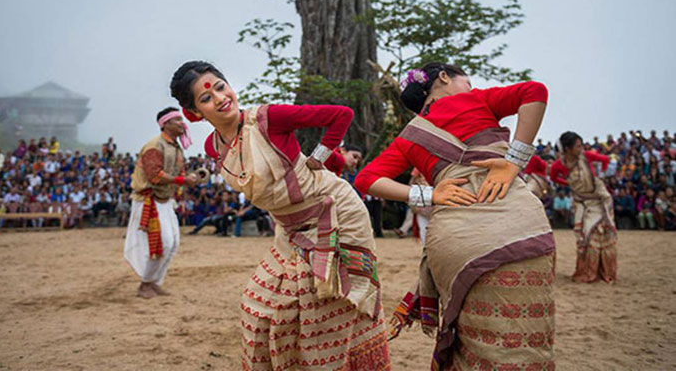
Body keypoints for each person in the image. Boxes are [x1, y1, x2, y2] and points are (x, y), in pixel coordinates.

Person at [170, 61, 390, 370]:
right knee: (258, 305)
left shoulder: (267, 118)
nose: (219, 98)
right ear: (194, 113)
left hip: (335, 213)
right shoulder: (213, 146)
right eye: (206, 98)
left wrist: (320, 156)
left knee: (325, 310)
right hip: (289, 228)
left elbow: (341, 115)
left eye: (220, 86)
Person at [355, 63, 555, 370]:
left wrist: (429, 195)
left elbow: (366, 178)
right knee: (525, 334)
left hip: (454, 238)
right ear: (444, 77)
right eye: (467, 80)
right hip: (515, 222)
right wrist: (514, 160)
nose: (470, 86)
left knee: (471, 334)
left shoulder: (409, 136)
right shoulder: (476, 100)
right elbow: (535, 91)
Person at [124, 107, 197, 299]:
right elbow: (154, 176)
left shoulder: (175, 147)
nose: (183, 123)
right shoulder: (155, 146)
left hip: (165, 201)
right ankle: (145, 284)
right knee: (162, 243)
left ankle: (155, 282)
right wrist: (183, 181)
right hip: (149, 200)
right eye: (177, 120)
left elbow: (177, 173)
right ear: (165, 124)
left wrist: (187, 179)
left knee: (173, 243)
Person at [551, 131, 617, 283]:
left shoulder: (586, 156)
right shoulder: (559, 165)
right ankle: (587, 271)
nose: (581, 149)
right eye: (578, 146)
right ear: (567, 149)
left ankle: (605, 273)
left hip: (599, 200)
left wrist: (601, 176)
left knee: (603, 234)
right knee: (585, 235)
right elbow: (554, 177)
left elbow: (605, 160)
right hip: (581, 202)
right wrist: (569, 184)